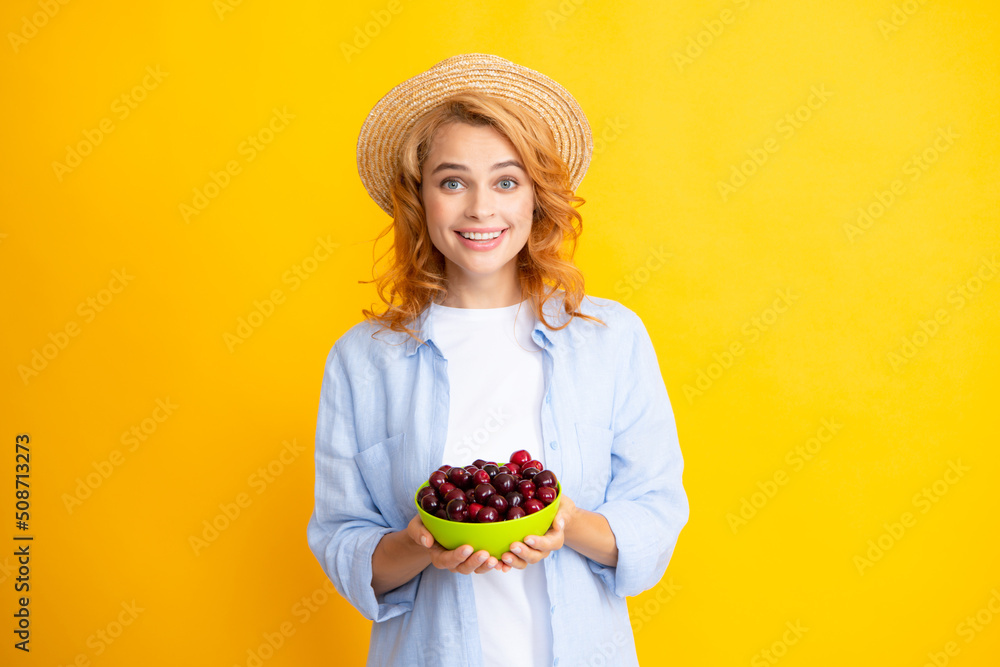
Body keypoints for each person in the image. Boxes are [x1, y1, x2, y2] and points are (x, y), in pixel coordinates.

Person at [306, 53, 689, 667]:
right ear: (420, 198)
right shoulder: (363, 359)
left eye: (506, 181)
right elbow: (343, 541)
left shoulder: (611, 338)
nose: (481, 209)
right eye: (452, 181)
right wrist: (418, 544)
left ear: (537, 198)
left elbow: (655, 514)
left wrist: (567, 523)